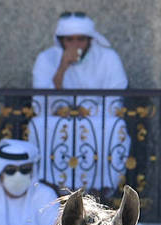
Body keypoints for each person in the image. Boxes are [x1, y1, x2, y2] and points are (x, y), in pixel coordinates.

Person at [27, 12, 130, 194]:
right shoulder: (46, 58)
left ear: (90, 40)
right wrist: (62, 67)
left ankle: (98, 190)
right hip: (58, 119)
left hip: (98, 117)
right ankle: (53, 190)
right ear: (61, 40)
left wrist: (88, 110)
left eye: (81, 39)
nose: (75, 45)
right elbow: (40, 102)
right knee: (39, 126)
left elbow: (116, 96)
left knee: (115, 127)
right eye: (69, 40)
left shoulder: (108, 58)